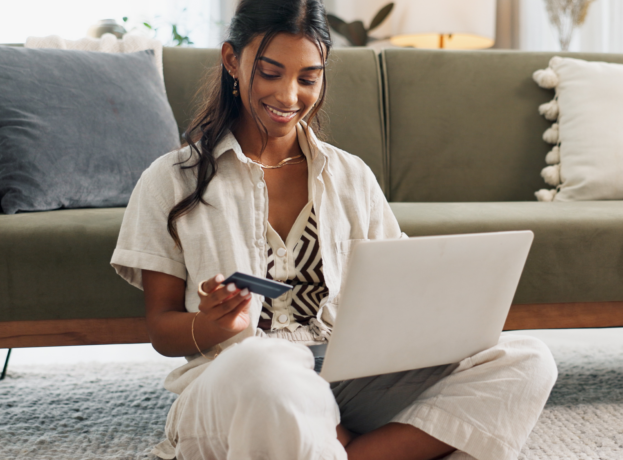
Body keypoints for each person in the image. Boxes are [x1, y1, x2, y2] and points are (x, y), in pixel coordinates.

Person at [111, 0, 558, 459]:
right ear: (232, 61)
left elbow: (398, 293)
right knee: (268, 364)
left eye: (308, 78)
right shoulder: (171, 179)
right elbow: (162, 330)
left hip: (349, 381)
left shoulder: (351, 176)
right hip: (243, 381)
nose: (289, 96)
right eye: (270, 73)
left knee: (528, 360)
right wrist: (209, 324)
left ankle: (339, 449)